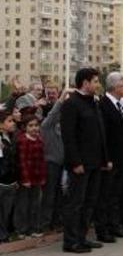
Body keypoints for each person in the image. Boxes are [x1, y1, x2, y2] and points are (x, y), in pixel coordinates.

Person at [61, 67, 111, 254]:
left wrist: (105, 159)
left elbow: (101, 133)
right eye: (95, 81)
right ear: (85, 83)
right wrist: (75, 162)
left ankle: (81, 237)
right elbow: (68, 136)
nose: (98, 85)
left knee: (90, 202)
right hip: (80, 164)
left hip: (96, 162)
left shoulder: (93, 103)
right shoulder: (71, 104)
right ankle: (71, 241)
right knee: (76, 203)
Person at [96, 72, 123, 242]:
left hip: (121, 158)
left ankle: (114, 226)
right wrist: (106, 158)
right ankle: (103, 229)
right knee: (106, 196)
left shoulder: (119, 105)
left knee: (116, 195)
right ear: (116, 87)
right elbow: (104, 135)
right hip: (109, 159)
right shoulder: (103, 104)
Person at [15, 114, 47, 237]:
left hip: (37, 177)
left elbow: (42, 160)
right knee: (23, 205)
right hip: (26, 179)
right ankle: (22, 230)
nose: (34, 128)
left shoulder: (39, 139)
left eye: (36, 125)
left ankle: (33, 228)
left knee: (35, 204)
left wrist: (43, 177)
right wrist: (25, 179)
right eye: (31, 125)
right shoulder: (22, 140)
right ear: (25, 127)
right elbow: (22, 162)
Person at [39, 89, 66, 233]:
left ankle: (57, 221)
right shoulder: (46, 127)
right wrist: (60, 100)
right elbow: (53, 114)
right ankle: (45, 223)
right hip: (50, 164)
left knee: (59, 195)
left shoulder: (61, 127)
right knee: (49, 195)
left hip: (62, 164)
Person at [0, 110, 18, 243]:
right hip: (2, 181)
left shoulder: (11, 138)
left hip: (11, 181)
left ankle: (5, 233)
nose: (13, 123)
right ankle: (2, 236)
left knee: (6, 211)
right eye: (9, 121)